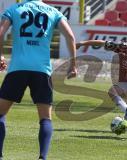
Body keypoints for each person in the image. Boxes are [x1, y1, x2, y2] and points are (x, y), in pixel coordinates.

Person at [0, 0, 77, 159]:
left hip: (18, 68)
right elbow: (70, 36)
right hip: (42, 70)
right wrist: (73, 64)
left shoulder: (14, 9)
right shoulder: (53, 12)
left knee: (0, 114)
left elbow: (1, 33)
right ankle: (42, 157)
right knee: (45, 118)